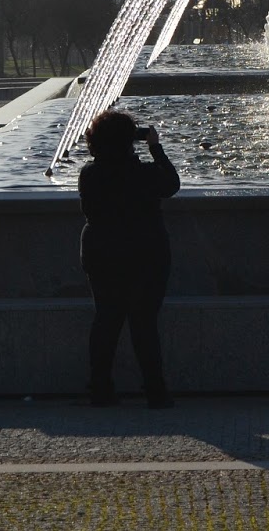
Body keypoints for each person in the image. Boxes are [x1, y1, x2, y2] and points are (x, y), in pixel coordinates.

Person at [78, 109, 180, 408]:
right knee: (144, 321)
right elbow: (172, 184)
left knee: (106, 319)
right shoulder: (145, 174)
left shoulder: (89, 174)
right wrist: (155, 148)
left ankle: (100, 388)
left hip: (101, 252)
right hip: (145, 252)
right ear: (129, 141)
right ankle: (155, 391)